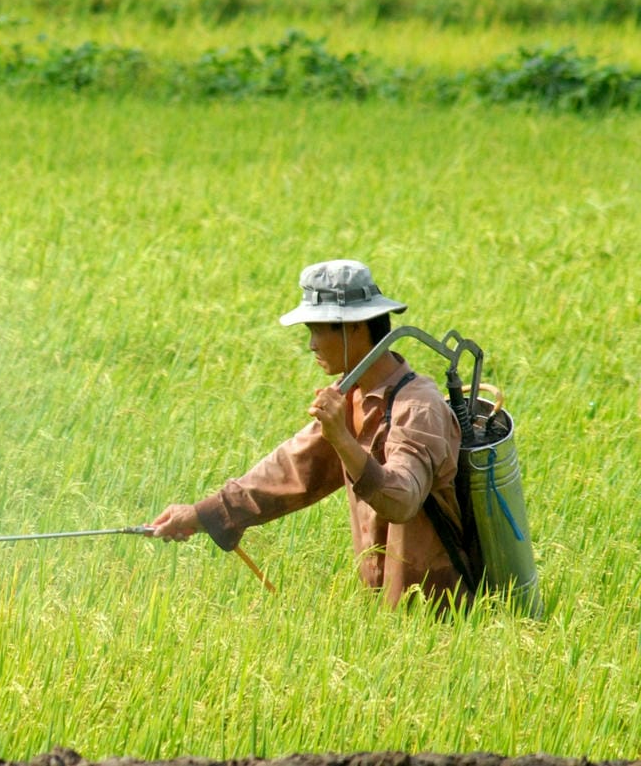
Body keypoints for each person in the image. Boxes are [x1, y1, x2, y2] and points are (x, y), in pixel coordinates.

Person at [149, 259, 469, 607]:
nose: (312, 345)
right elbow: (291, 470)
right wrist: (204, 514)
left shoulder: (417, 406)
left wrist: (342, 439)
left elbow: (402, 499)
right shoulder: (349, 398)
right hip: (387, 616)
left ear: (355, 327)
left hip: (444, 613)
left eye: (318, 330)